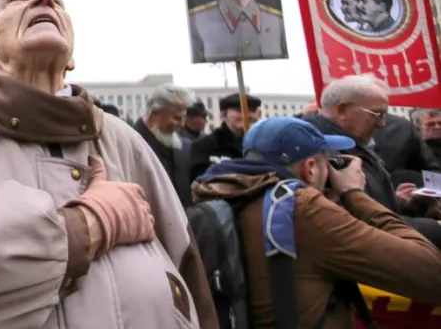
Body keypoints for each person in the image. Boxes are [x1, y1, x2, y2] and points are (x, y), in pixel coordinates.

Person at [0, 0, 217, 328]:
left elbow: (187, 267)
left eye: (56, 1)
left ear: (70, 56)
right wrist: (90, 223)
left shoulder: (123, 137)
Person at [194, 117, 441, 328]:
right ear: (310, 169)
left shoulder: (220, 193)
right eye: (328, 162)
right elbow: (431, 274)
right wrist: (354, 193)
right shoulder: (304, 209)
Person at [303, 74, 441, 246]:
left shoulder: (358, 143)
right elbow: (359, 222)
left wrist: (402, 202)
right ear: (342, 110)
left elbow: (370, 204)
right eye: (377, 114)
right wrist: (434, 227)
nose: (382, 124)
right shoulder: (322, 155)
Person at [133, 83, 196, 207]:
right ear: (155, 112)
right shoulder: (130, 146)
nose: (182, 125)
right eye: (177, 118)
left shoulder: (185, 147)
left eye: (184, 118)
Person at [188, 93, 261, 182]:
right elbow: (199, 182)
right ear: (223, 115)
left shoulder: (259, 145)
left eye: (252, 111)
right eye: (240, 110)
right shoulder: (205, 145)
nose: (248, 115)